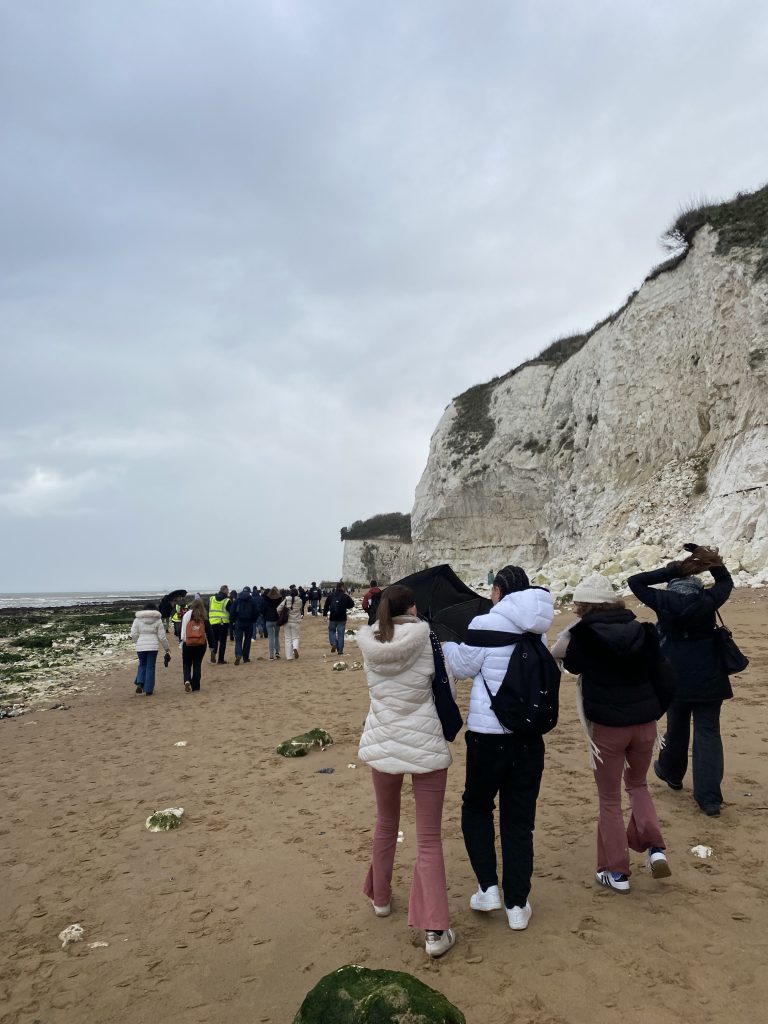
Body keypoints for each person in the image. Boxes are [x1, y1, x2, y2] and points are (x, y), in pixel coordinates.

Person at [442, 565, 553, 930]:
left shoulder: (485, 624)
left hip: (487, 736)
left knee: (476, 807)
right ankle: (517, 905)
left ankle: (488, 887)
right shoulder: (538, 628)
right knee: (519, 821)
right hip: (529, 736)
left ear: (499, 591)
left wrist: (447, 644)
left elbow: (461, 668)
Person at [550, 573, 671, 894]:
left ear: (585, 607)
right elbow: (664, 675)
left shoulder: (584, 635)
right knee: (638, 785)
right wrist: (654, 710)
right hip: (645, 725)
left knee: (609, 799)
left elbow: (561, 655)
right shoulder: (642, 630)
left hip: (608, 728)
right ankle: (655, 849)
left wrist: (576, 626)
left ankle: (616, 871)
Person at [357, 584, 456, 958]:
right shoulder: (428, 639)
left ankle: (381, 898)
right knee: (428, 838)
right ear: (412, 608)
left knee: (386, 822)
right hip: (424, 740)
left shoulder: (371, 644)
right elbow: (445, 687)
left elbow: (375, 690)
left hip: (383, 739)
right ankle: (435, 931)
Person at [627, 545, 735, 817]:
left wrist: (672, 570)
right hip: (709, 674)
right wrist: (707, 558)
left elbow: (635, 581)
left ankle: (672, 773)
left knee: (676, 727)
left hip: (674, 675)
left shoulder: (663, 600)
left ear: (673, 583)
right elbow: (725, 581)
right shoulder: (708, 600)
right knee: (708, 732)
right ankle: (709, 799)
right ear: (696, 582)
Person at [130, 603, 171, 696]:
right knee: (150, 667)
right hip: (153, 647)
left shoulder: (137, 619)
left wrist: (137, 642)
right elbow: (162, 636)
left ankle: (140, 683)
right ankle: (148, 689)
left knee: (142, 664)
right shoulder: (158, 620)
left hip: (141, 646)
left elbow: (133, 633)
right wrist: (166, 648)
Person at [180, 599, 214, 692]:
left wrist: (181, 641)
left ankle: (187, 680)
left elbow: (181, 630)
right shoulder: (204, 617)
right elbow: (210, 633)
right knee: (197, 664)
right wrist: (212, 647)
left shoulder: (186, 615)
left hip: (187, 643)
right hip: (200, 644)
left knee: (186, 664)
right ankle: (195, 686)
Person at [323, 582, 355, 654]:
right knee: (341, 634)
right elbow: (352, 604)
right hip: (342, 618)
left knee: (332, 631)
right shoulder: (345, 596)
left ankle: (334, 643)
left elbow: (326, 605)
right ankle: (340, 651)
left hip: (333, 618)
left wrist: (325, 614)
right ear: (342, 587)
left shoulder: (331, 595)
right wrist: (345, 606)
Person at [233, 586, 257, 665]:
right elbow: (256, 611)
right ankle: (245, 658)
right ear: (249, 592)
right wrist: (253, 620)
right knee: (247, 640)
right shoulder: (252, 600)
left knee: (238, 640)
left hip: (239, 622)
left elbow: (232, 611)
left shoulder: (237, 600)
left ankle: (238, 654)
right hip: (249, 622)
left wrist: (233, 621)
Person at [277, 585, 302, 660]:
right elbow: (300, 609)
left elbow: (278, 609)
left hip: (287, 621)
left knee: (287, 639)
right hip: (296, 621)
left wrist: (281, 614)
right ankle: (295, 648)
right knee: (295, 637)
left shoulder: (286, 600)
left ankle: (289, 656)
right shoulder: (300, 601)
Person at [208, 586, 232, 664]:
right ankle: (220, 659)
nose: (228, 592)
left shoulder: (211, 599)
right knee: (222, 641)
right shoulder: (227, 600)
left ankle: (213, 652)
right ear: (225, 590)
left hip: (212, 622)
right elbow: (231, 611)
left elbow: (207, 608)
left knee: (214, 640)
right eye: (227, 590)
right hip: (223, 622)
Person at [263, 587, 283, 660]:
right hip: (276, 620)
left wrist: (265, 616)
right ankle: (277, 652)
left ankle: (271, 656)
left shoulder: (265, 600)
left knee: (271, 637)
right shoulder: (279, 600)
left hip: (268, 620)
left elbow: (262, 610)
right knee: (276, 636)